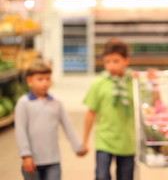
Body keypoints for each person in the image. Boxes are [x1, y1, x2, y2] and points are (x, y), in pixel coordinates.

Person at [15, 59, 87, 180]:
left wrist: (77, 147)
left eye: (47, 79)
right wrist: (26, 155)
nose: (44, 83)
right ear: (29, 81)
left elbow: (68, 126)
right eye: (40, 79)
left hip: (53, 160)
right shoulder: (24, 103)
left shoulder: (56, 103)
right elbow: (20, 130)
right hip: (32, 161)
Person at [82, 38, 135, 180]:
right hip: (104, 140)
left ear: (126, 61)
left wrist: (152, 83)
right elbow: (91, 112)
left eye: (116, 61)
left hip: (128, 141)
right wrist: (85, 140)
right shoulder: (99, 83)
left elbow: (152, 104)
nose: (111, 66)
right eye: (107, 62)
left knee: (126, 176)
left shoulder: (135, 82)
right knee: (102, 176)